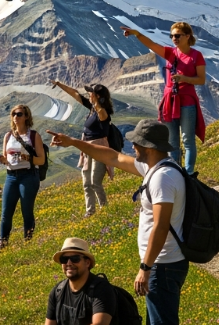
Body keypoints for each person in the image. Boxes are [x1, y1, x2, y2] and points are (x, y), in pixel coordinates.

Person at [48, 119, 188, 325]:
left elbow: (161, 225)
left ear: (148, 147)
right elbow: (113, 157)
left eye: (137, 142)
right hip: (163, 263)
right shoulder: (155, 168)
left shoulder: (162, 178)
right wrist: (74, 142)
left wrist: (145, 268)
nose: (132, 146)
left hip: (163, 264)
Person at [120, 22, 206, 174]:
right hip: (170, 101)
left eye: (177, 35)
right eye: (172, 36)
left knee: (187, 140)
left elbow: (201, 79)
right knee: (172, 141)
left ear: (187, 36)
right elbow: (151, 44)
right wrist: (137, 34)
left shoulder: (196, 56)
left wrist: (184, 78)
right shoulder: (170, 53)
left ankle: (189, 173)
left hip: (187, 100)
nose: (174, 38)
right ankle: (176, 172)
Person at [49, 81, 115, 217]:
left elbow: (102, 114)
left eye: (91, 93)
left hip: (98, 148)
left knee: (95, 182)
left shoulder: (103, 112)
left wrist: (97, 103)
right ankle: (90, 211)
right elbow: (75, 94)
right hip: (87, 147)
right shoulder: (92, 108)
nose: (88, 95)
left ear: (97, 96)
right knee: (86, 182)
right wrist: (60, 84)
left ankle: (104, 210)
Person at [0, 104, 44, 253]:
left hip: (28, 175)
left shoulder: (33, 136)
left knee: (26, 210)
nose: (16, 117)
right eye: (13, 114)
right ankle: (2, 243)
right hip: (11, 176)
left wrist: (28, 157)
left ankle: (28, 241)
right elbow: (4, 157)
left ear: (26, 116)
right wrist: (1, 160)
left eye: (19, 114)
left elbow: (41, 160)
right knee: (6, 212)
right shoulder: (8, 136)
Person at [45, 237, 114, 325]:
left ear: (87, 263)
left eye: (75, 258)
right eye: (64, 259)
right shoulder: (58, 291)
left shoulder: (102, 289)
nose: (69, 263)